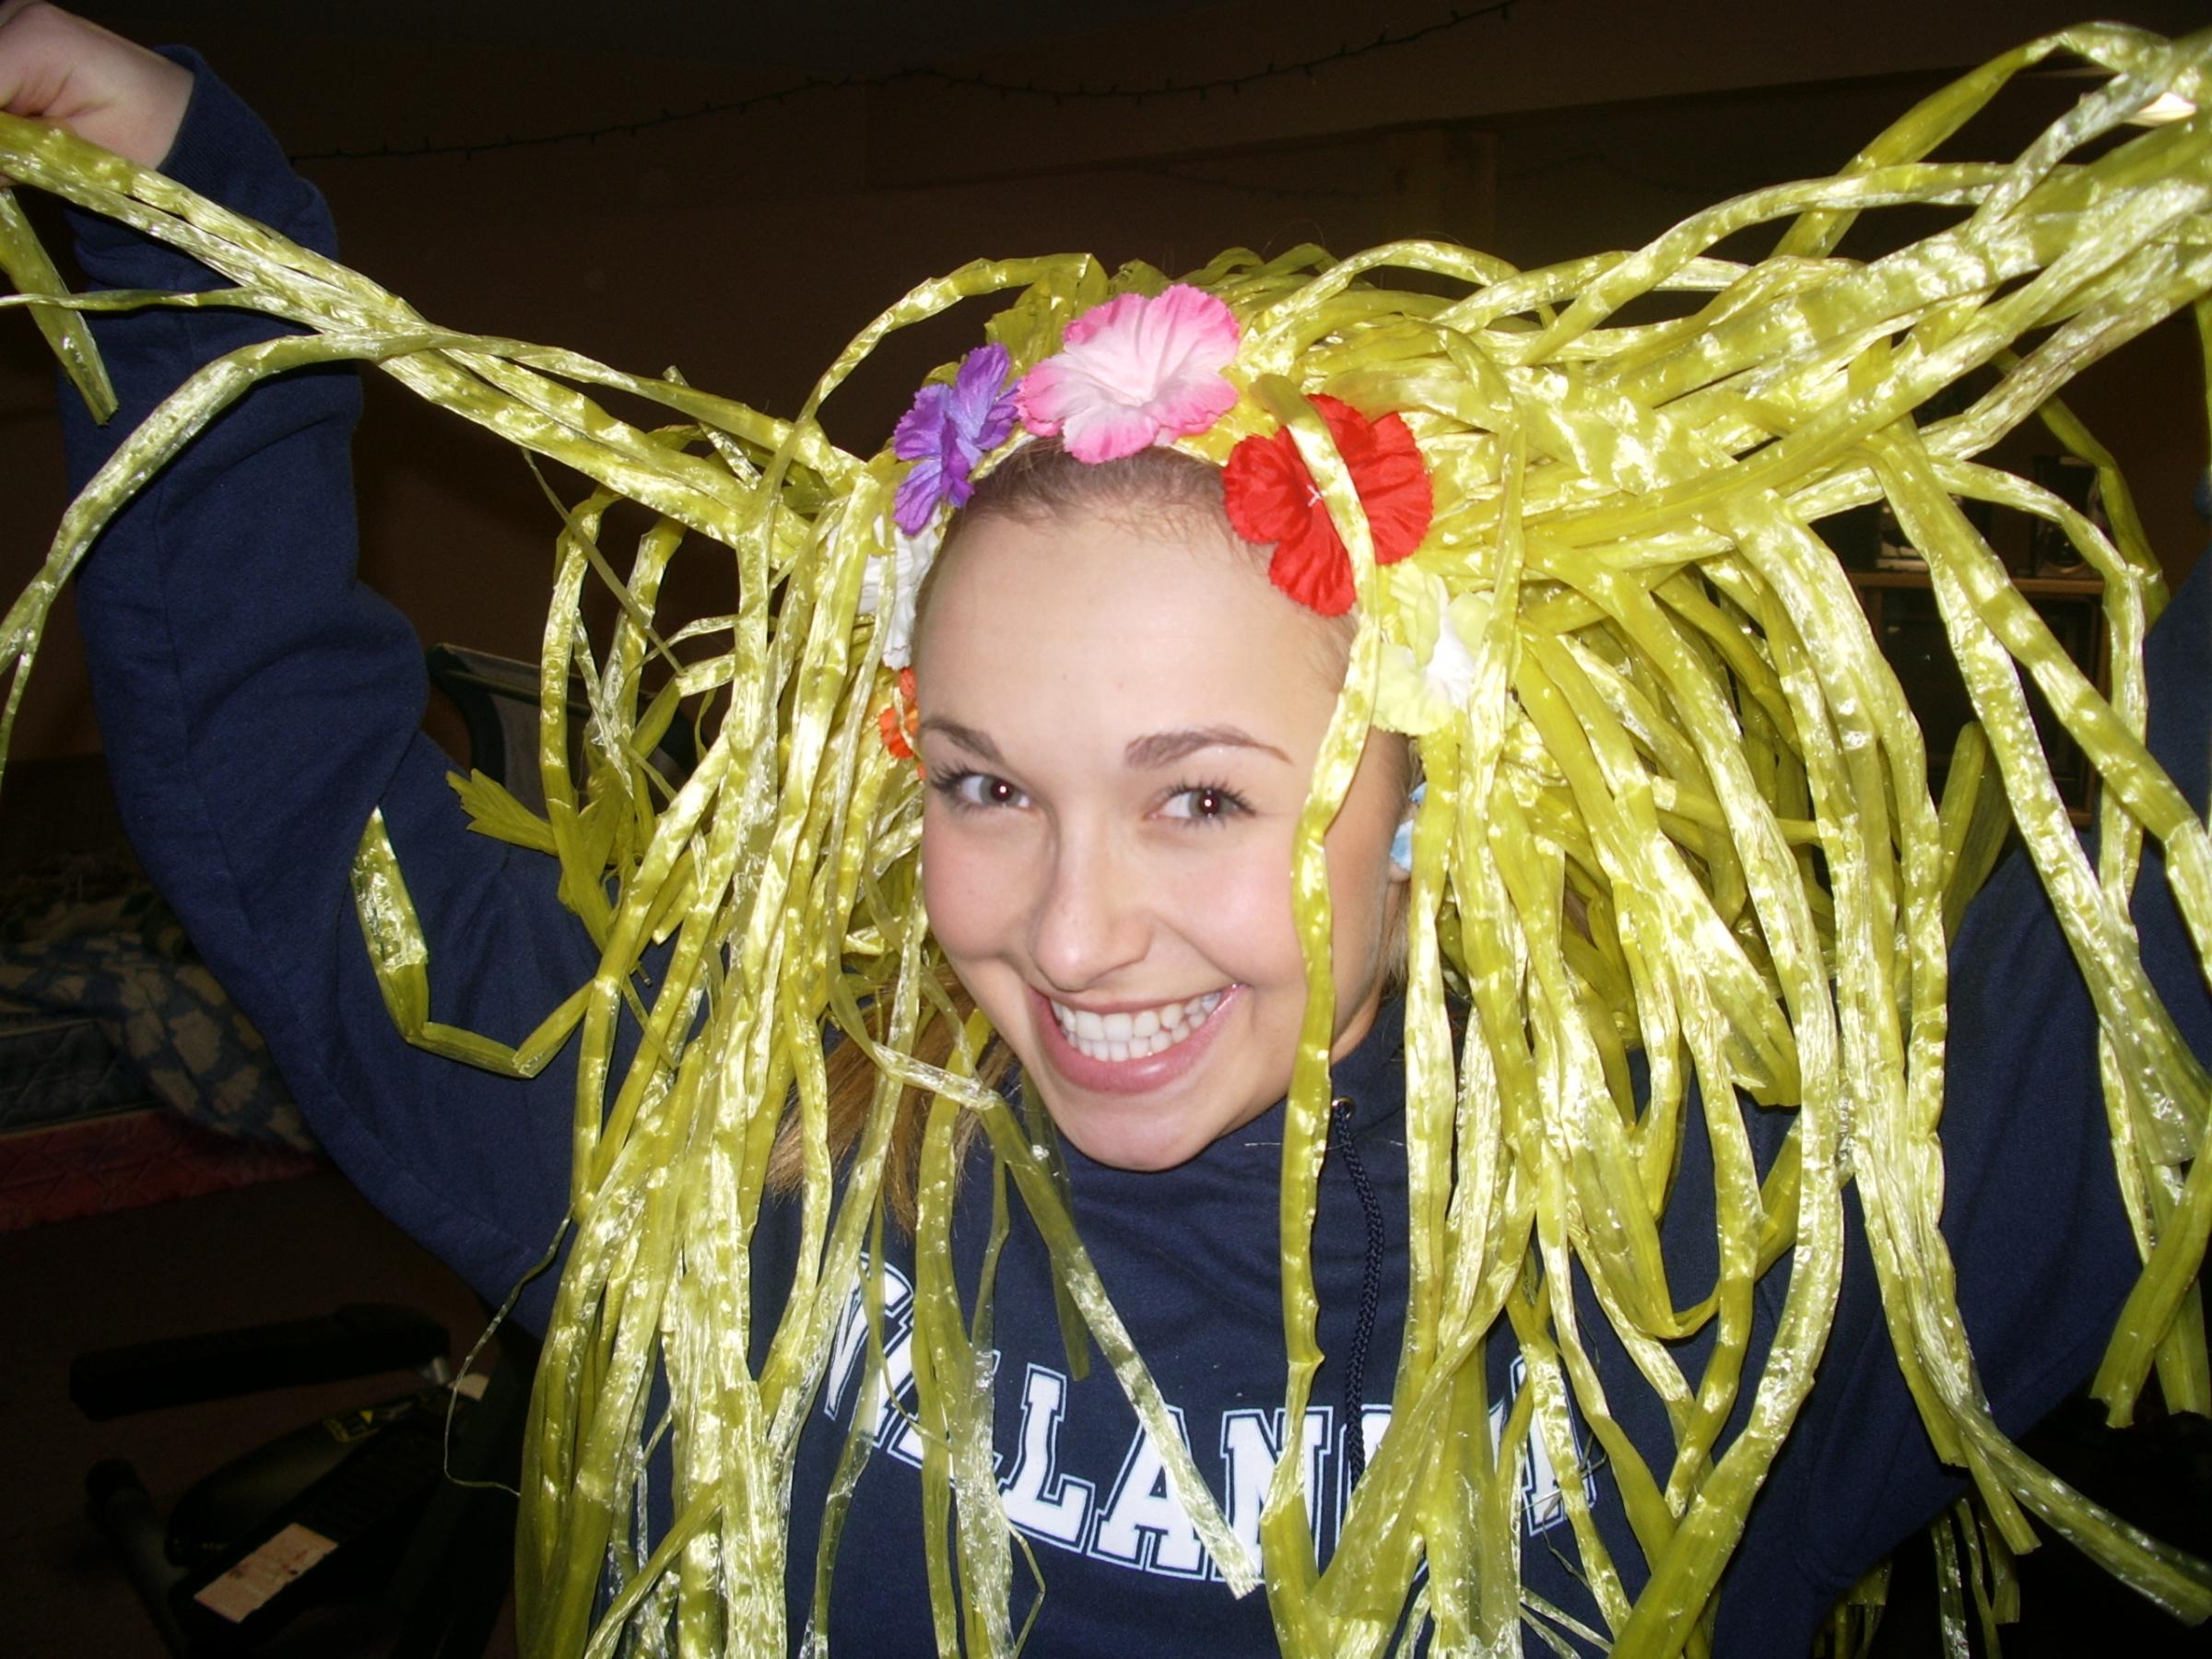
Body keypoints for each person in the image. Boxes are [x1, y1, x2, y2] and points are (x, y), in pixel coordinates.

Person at [5, 4, 2210, 1653]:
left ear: (1427, 792)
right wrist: (182, 204)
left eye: (1205, 795)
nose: (1069, 936)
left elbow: (2162, 907)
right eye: (986, 785)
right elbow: (300, 820)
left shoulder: (1717, 1292)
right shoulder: (728, 1167)